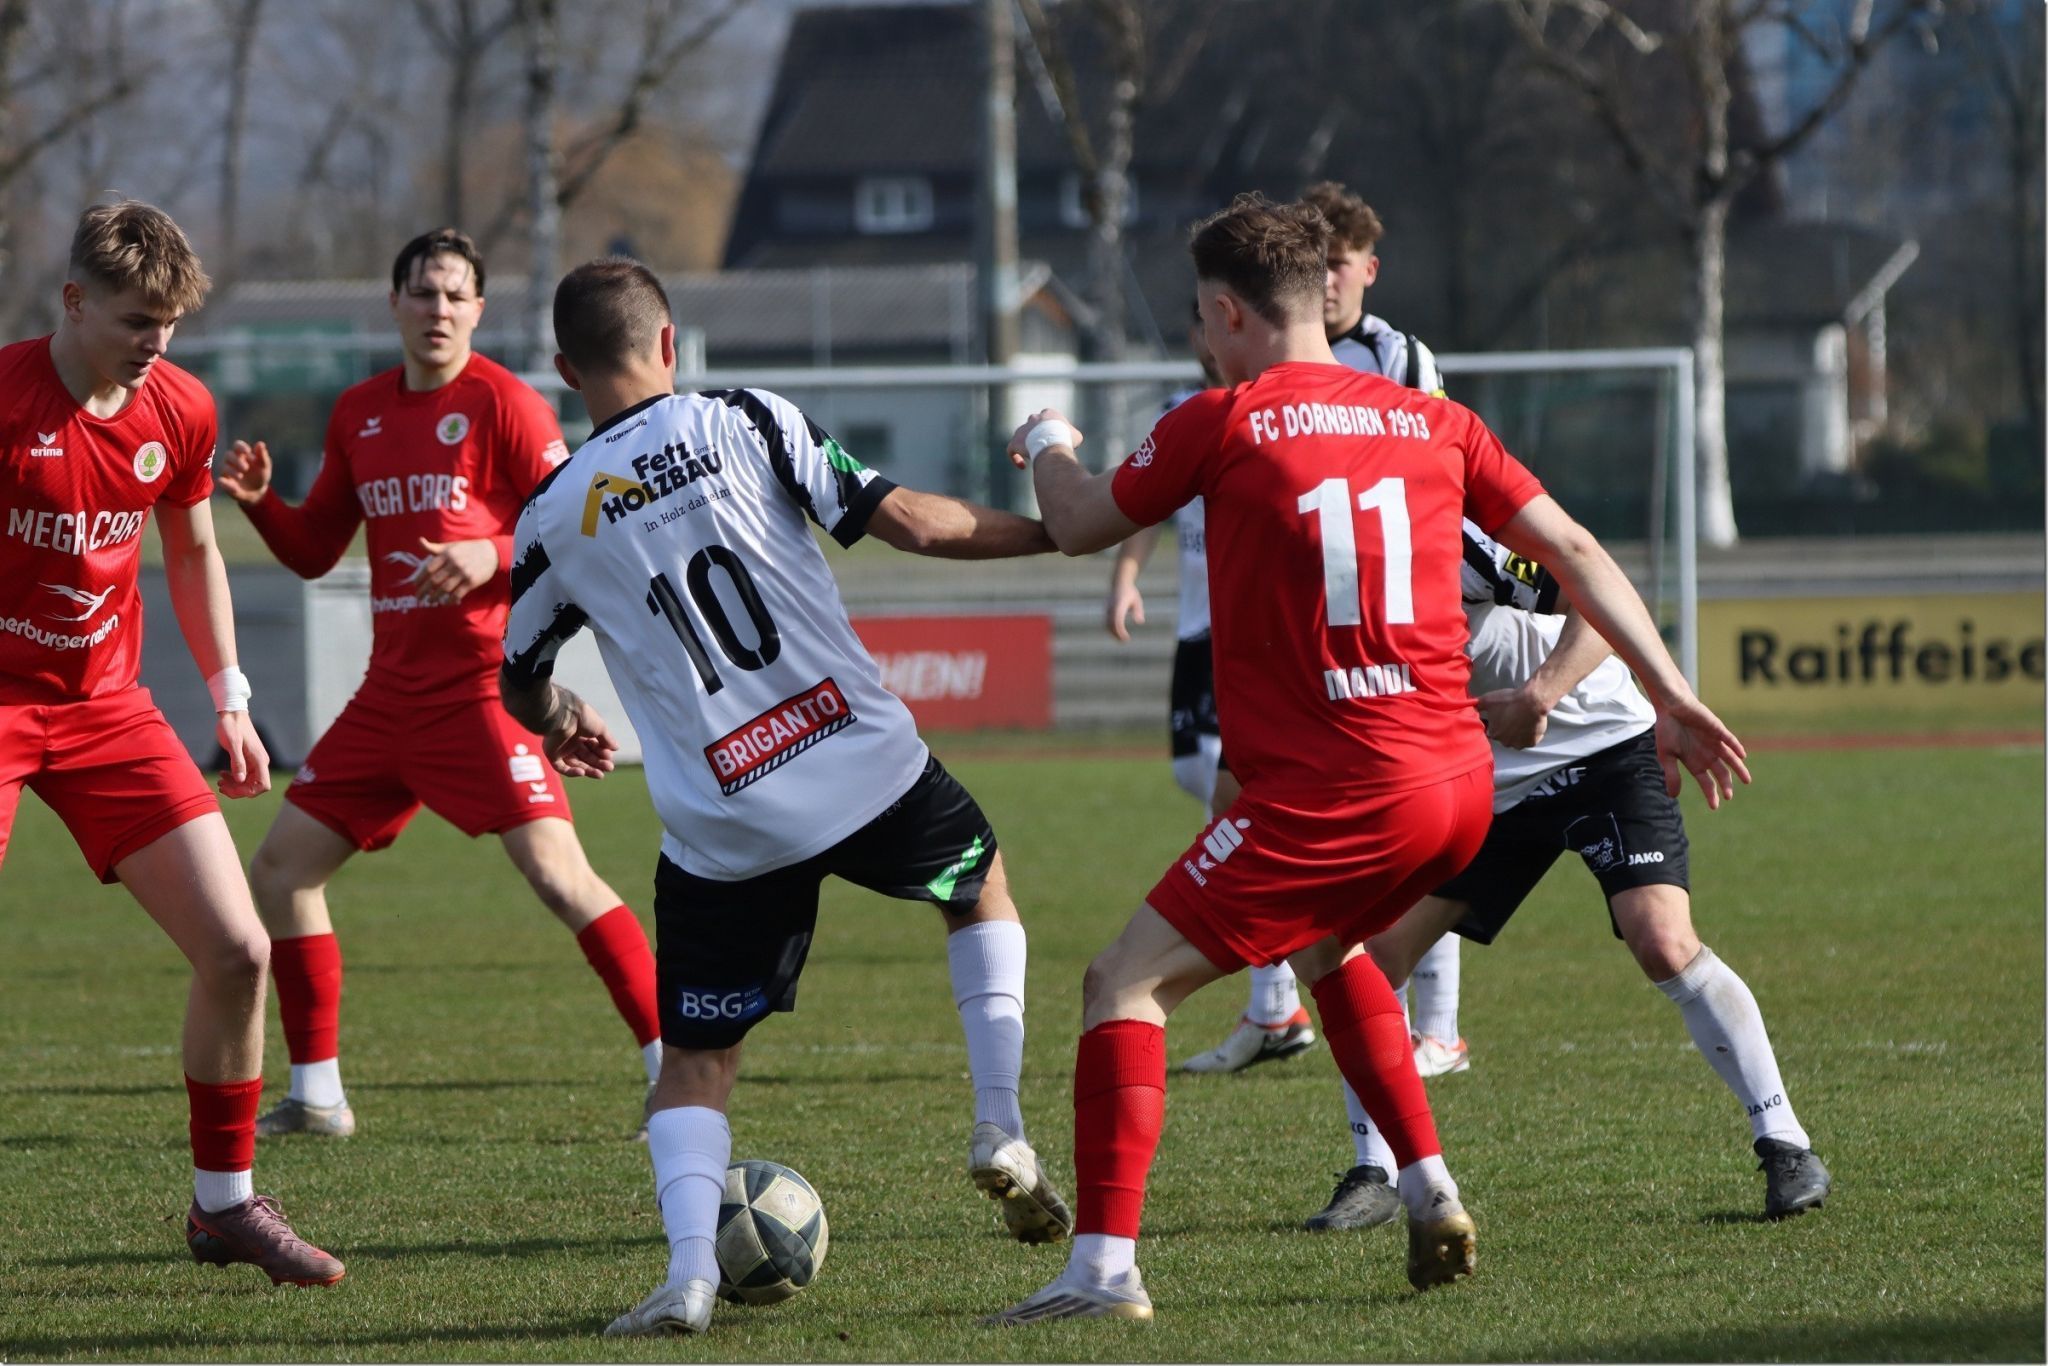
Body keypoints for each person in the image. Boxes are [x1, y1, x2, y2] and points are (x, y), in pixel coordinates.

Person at [987, 193, 1748, 1325]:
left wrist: (1044, 439)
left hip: (1334, 790)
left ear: (1230, 310)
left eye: (1202, 317)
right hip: (1454, 783)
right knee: (1328, 947)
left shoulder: (1222, 417)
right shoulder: (1428, 419)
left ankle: (1101, 1272)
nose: (1200, 339)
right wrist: (1670, 692)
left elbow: (1085, 518)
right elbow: (1576, 548)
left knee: (1120, 983)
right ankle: (1428, 1185)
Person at [500, 258, 1073, 1337]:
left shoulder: (549, 515)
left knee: (698, 1061)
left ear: (567, 370)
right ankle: (998, 1122)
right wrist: (1055, 528)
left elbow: (516, 672)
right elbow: (910, 522)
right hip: (861, 765)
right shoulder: (745, 419)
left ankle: (685, 1280)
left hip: (722, 823)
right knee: (978, 884)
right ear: (669, 341)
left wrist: (560, 716)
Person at [216, 229, 662, 1140]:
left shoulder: (507, 405)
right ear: (394, 305)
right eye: (422, 293)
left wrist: (488, 552)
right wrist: (263, 505)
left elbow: (577, 528)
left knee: (558, 875)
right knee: (281, 870)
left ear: (479, 311)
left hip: (479, 691)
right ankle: (318, 1094)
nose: (438, 310)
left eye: (456, 296)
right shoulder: (360, 413)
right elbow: (313, 553)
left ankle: (672, 1063)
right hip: (388, 698)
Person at [0, 201, 342, 1284]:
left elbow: (191, 553)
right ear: (73, 302)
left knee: (241, 951)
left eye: (172, 323)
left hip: (107, 707)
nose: (158, 343)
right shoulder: (4, 399)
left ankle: (224, 1206)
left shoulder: (179, 407)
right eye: (138, 319)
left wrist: (230, 701)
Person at [1313, 525, 1829, 1227]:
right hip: (1485, 783)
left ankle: (1787, 1145)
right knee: (1372, 954)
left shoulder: (1449, 536)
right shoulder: (1319, 568)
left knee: (1664, 942)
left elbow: (1598, 597)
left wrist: (1544, 691)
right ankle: (1374, 1171)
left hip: (1603, 747)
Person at [1183, 181, 1472, 1080]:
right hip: (1282, 631)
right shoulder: (1252, 373)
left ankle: (1436, 1029)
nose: (1335, 282)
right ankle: (1273, 1010)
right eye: (1324, 266)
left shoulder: (1400, 365)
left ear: (1366, 273)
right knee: (1240, 796)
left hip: (1377, 632)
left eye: (1346, 264)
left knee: (1403, 838)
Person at [1106, 318, 1316, 1073]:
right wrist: (1127, 579)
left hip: (1254, 637)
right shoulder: (1180, 412)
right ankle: (1277, 999)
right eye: (1195, 321)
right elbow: (1147, 504)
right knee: (1204, 781)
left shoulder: (1283, 410)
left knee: (1236, 802)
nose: (1205, 335)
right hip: (1201, 634)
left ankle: (1275, 1002)